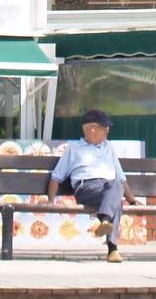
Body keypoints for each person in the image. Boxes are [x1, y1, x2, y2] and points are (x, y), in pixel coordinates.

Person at [48, 108, 128, 263]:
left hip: (109, 188)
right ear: (92, 129)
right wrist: (51, 201)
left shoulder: (108, 147)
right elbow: (56, 176)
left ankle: (105, 223)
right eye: (104, 127)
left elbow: (121, 177)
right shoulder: (74, 148)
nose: (107, 131)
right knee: (115, 201)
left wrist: (131, 199)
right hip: (87, 188)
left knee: (116, 189)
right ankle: (112, 249)